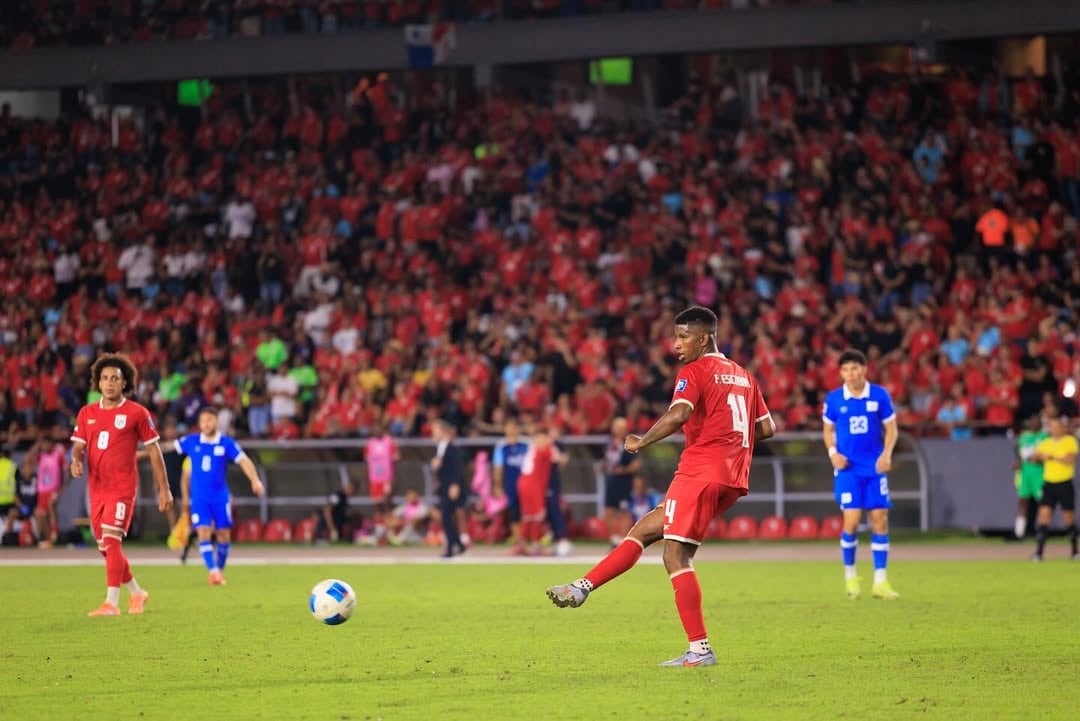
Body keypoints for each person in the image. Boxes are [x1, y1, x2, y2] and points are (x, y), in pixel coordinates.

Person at [546, 306, 774, 667]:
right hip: (732, 477)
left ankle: (699, 650)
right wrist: (730, 443)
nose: (676, 345)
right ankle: (582, 587)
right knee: (647, 528)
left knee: (675, 555)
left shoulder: (695, 370)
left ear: (704, 337)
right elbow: (766, 428)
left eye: (683, 336)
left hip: (700, 471)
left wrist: (642, 441)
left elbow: (679, 413)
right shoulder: (745, 376)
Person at [69, 353, 173, 617]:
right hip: (97, 487)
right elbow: (78, 446)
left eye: (115, 378)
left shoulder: (137, 413)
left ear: (124, 382)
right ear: (98, 382)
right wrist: (76, 460)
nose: (109, 383)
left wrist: (164, 488)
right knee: (105, 547)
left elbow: (154, 451)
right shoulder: (86, 413)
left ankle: (111, 604)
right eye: (104, 378)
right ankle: (137, 592)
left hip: (122, 487)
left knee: (112, 541)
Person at [822, 348, 900, 600]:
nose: (850, 374)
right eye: (845, 369)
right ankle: (851, 576)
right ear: (841, 373)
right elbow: (827, 431)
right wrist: (833, 452)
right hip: (848, 470)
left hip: (874, 468)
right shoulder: (834, 399)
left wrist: (887, 454)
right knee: (852, 521)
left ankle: (880, 581)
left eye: (854, 368)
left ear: (864, 369)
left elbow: (891, 429)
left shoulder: (879, 395)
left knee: (880, 519)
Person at [175, 407, 265, 585]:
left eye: (209, 420)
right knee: (203, 531)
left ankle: (219, 569)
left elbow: (244, 460)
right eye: (203, 421)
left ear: (216, 421)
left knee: (223, 535)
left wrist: (255, 480)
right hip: (199, 498)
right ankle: (213, 571)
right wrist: (146, 450)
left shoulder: (226, 443)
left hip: (220, 497)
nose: (206, 424)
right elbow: (168, 448)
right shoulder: (192, 441)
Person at [1030, 415, 1078, 561]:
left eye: (1056, 426)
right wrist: (1040, 457)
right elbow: (1034, 457)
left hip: (1064, 483)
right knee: (1044, 516)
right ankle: (1039, 553)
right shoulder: (1045, 442)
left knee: (1068, 518)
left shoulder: (1070, 441)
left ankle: (1075, 551)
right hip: (1049, 484)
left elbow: (1069, 459)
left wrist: (1051, 457)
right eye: (1051, 426)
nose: (1054, 429)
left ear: (1062, 428)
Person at [515, 428, 565, 556]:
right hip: (532, 484)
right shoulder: (545, 449)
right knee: (538, 514)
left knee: (529, 515)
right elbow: (560, 460)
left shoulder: (535, 448)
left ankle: (523, 544)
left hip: (527, 483)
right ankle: (535, 545)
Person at [602, 417, 640, 547]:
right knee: (608, 510)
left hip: (624, 482)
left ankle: (623, 540)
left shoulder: (629, 443)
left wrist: (623, 470)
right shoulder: (609, 443)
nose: (615, 429)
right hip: (611, 480)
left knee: (624, 511)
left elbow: (636, 464)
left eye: (618, 427)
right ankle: (614, 539)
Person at [432, 418, 466, 558]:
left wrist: (455, 484)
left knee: (446, 515)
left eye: (436, 431)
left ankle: (452, 546)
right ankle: (457, 545)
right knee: (446, 516)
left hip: (451, 486)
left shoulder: (452, 448)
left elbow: (458, 468)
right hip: (444, 486)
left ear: (444, 432)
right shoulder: (439, 448)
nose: (434, 434)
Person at [492, 418, 528, 546]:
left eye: (513, 427)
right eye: (508, 427)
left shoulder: (526, 444)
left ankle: (526, 538)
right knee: (513, 512)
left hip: (527, 484)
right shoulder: (501, 446)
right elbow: (498, 468)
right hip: (510, 483)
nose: (511, 430)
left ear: (518, 429)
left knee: (527, 512)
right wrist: (497, 486)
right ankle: (518, 540)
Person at [1014, 415, 1048, 539]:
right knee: (1023, 502)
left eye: (1037, 422)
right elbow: (1017, 449)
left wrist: (1038, 459)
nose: (1034, 424)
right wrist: (1018, 461)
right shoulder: (1024, 436)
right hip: (1025, 473)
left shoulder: (1044, 437)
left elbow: (1046, 455)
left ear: (1040, 424)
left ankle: (1042, 531)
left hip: (1039, 474)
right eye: (1032, 422)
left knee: (1042, 503)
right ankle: (1019, 533)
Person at [365, 422, 398, 517]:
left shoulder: (388, 441)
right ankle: (379, 521)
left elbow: (396, 456)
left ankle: (390, 520)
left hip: (387, 477)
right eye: (374, 429)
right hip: (374, 477)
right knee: (376, 502)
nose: (377, 431)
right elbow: (367, 458)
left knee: (387, 500)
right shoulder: (370, 443)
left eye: (378, 429)